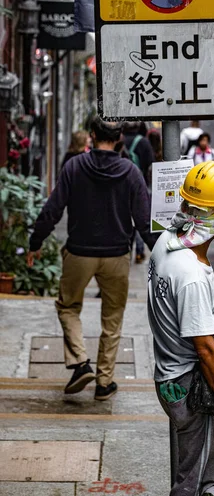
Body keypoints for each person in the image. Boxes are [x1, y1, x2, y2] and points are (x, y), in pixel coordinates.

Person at [27, 116, 157, 401]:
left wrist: (35, 242)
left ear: (92, 135)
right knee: (112, 317)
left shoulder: (75, 166)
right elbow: (144, 222)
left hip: (79, 253)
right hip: (116, 256)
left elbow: (53, 209)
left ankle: (80, 362)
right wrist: (161, 255)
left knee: (68, 306)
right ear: (119, 136)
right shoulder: (131, 172)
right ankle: (104, 381)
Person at [148, 160, 214, 496]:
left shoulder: (165, 242)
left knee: (205, 466)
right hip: (194, 389)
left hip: (172, 380)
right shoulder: (191, 276)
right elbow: (206, 350)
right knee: (197, 481)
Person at [122, 122, 155, 263]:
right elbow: (150, 163)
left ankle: (126, 248)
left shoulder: (119, 140)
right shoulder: (143, 142)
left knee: (124, 218)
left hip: (122, 184)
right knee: (141, 218)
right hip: (140, 185)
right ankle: (140, 252)